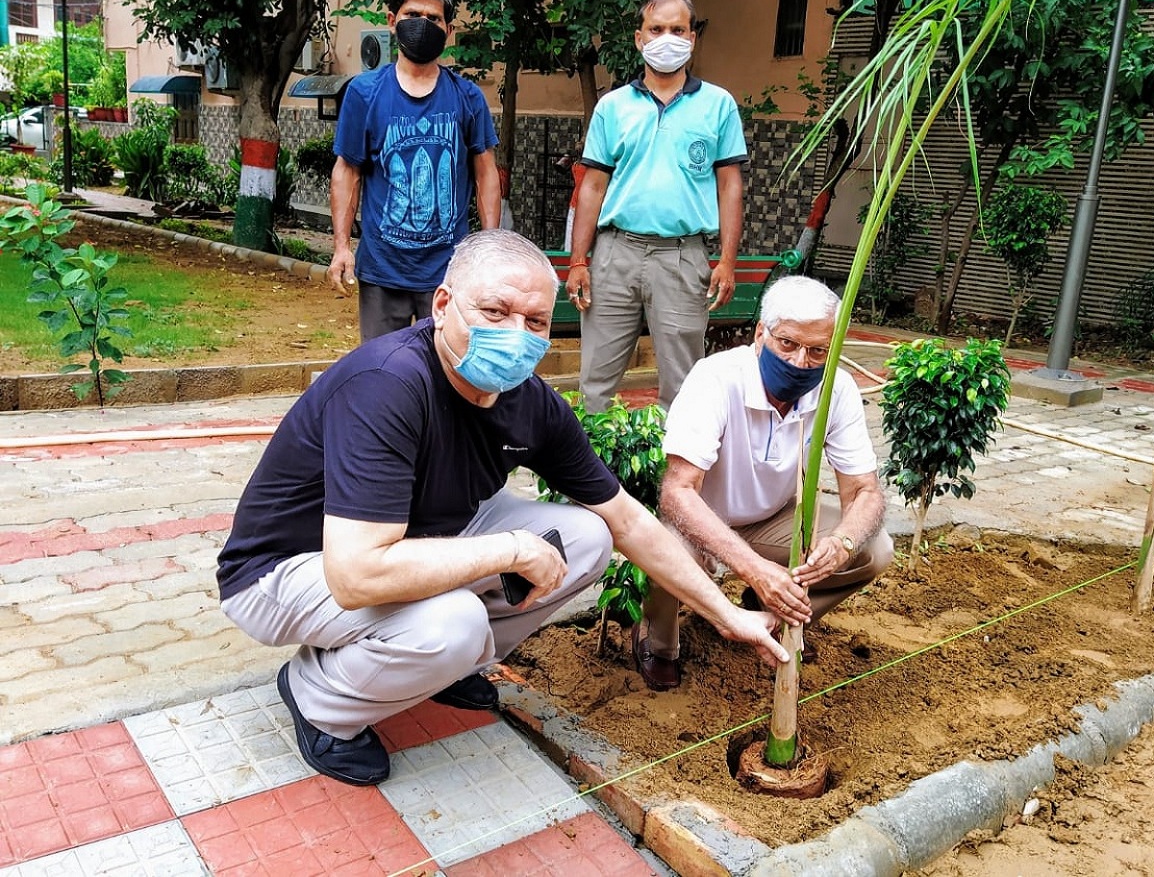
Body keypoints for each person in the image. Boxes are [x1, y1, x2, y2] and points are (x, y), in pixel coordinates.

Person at [216, 229, 787, 787]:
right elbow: (356, 574)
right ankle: (320, 700)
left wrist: (726, 613)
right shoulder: (387, 384)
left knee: (588, 536)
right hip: (285, 571)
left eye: (535, 321)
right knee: (455, 623)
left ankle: (443, 668)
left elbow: (629, 519)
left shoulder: (529, 402)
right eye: (495, 312)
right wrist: (509, 549)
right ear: (443, 306)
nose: (517, 335)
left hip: (419, 540)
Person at [631, 276, 894, 691]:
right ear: (760, 334)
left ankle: (768, 614)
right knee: (666, 554)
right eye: (787, 343)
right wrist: (754, 569)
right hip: (700, 521)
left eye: (817, 350)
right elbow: (677, 493)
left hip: (772, 519)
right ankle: (659, 641)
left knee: (874, 549)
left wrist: (841, 543)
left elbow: (864, 491)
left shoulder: (837, 388)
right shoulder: (715, 378)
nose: (800, 361)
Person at [565, 0, 747, 412]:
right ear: (639, 38)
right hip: (615, 253)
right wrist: (578, 260)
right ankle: (595, 475)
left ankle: (673, 478)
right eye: (657, 29)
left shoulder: (717, 105)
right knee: (595, 384)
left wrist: (727, 260)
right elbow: (592, 187)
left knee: (683, 389)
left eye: (678, 29)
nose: (668, 37)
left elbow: (729, 186)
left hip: (683, 258)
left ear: (692, 38)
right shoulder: (613, 107)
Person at [328, 0, 501, 341]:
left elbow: (486, 172)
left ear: (448, 30)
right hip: (381, 270)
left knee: (448, 375)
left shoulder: (467, 97)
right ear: (392, 22)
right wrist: (341, 246)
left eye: (433, 18)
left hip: (448, 272)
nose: (422, 25)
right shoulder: (364, 93)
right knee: (381, 374)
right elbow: (347, 170)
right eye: (411, 15)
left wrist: (489, 251)